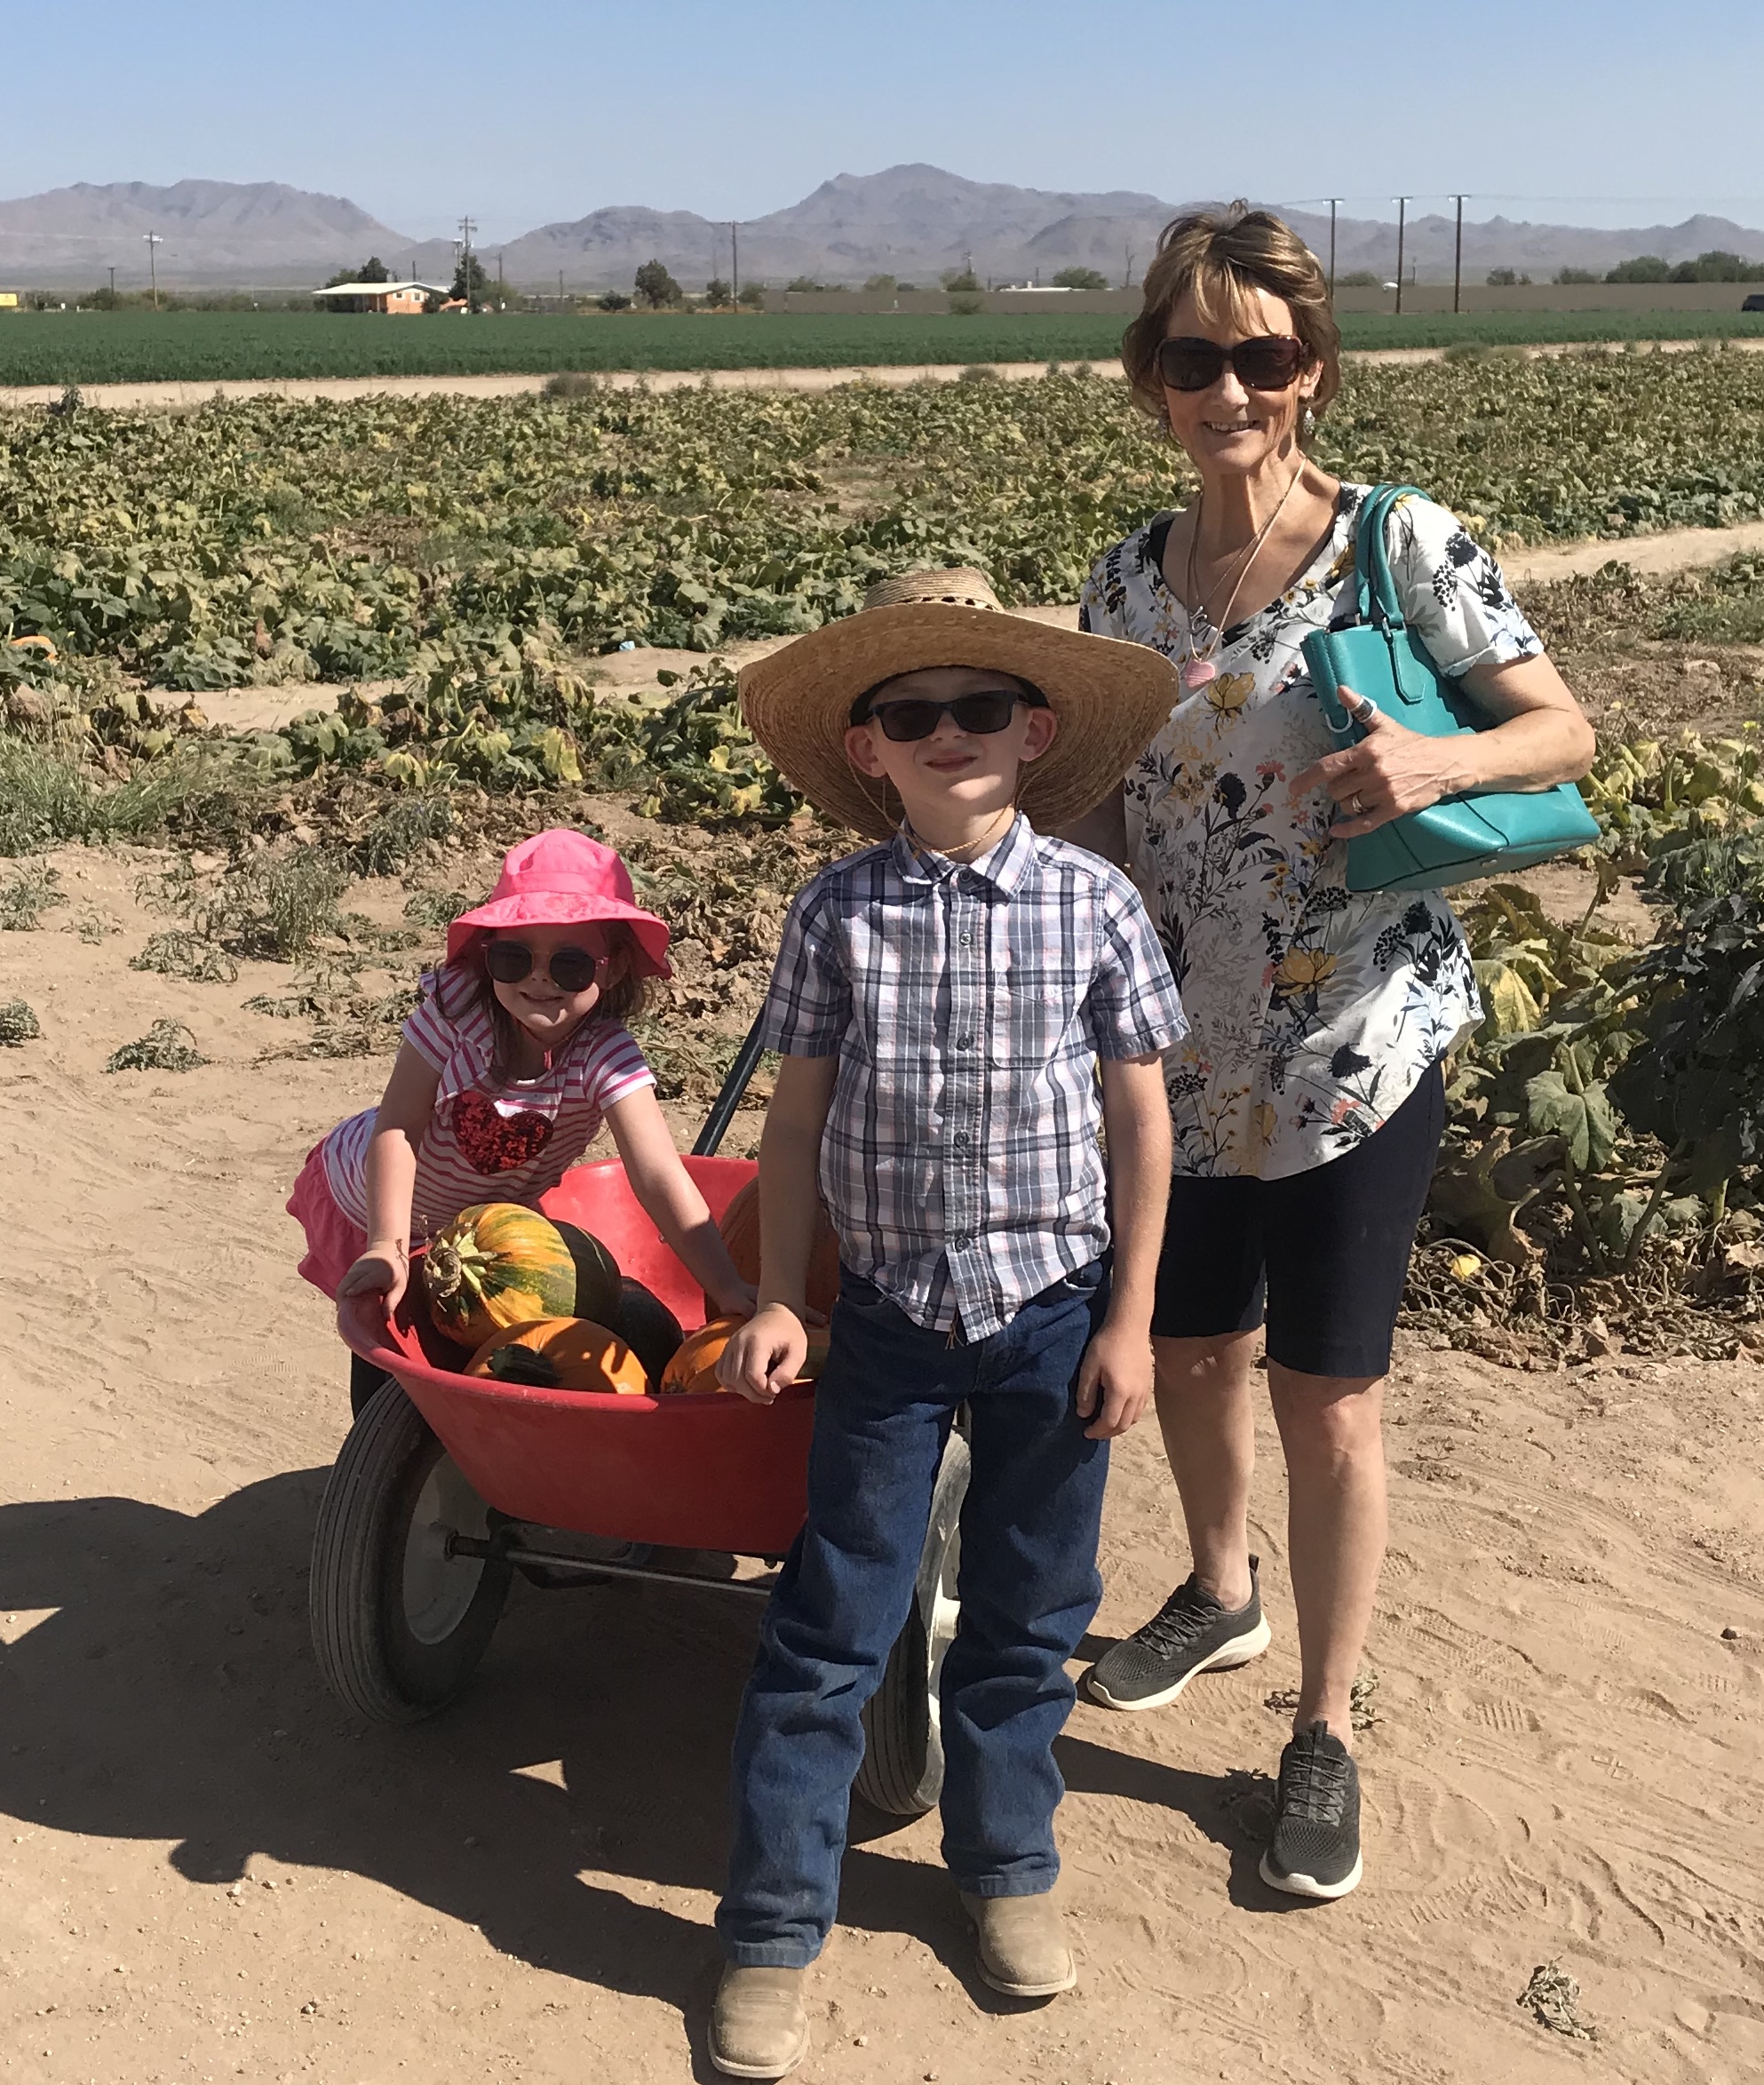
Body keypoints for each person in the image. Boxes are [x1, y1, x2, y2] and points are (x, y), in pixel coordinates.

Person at [1072, 204, 1595, 1901]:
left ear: (1312, 372)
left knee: (1334, 1396)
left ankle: (1322, 1720)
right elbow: (1104, 808)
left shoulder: (1397, 541)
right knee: (1200, 1349)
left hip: (1357, 1038)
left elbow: (1560, 725)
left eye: (1264, 355)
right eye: (1194, 355)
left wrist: (1436, 769)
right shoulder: (1122, 579)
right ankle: (1219, 1591)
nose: (1229, 387)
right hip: (1176, 1045)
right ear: (1152, 378)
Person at [704, 569, 1188, 2079]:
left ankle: (1006, 1871)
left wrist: (1132, 1318)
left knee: (1029, 1613)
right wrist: (785, 1290)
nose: (947, 732)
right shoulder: (835, 906)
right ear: (868, 752)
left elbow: (1139, 1122)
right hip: (896, 1321)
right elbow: (795, 1123)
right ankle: (774, 1927)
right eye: (910, 714)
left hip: (1052, 1312)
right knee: (830, 1619)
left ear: (1033, 730)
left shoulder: (1094, 900)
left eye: (978, 707)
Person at [287, 826, 751, 1389]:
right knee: (394, 1351)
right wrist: (388, 1245)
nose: (539, 978)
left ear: (615, 966)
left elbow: (655, 1174)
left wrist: (727, 1288)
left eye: (570, 965)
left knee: (479, 1341)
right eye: (514, 957)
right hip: (376, 1200)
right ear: (488, 959)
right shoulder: (454, 1015)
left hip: (482, 1228)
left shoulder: (605, 1055)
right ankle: (391, 1450)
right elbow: (400, 1128)